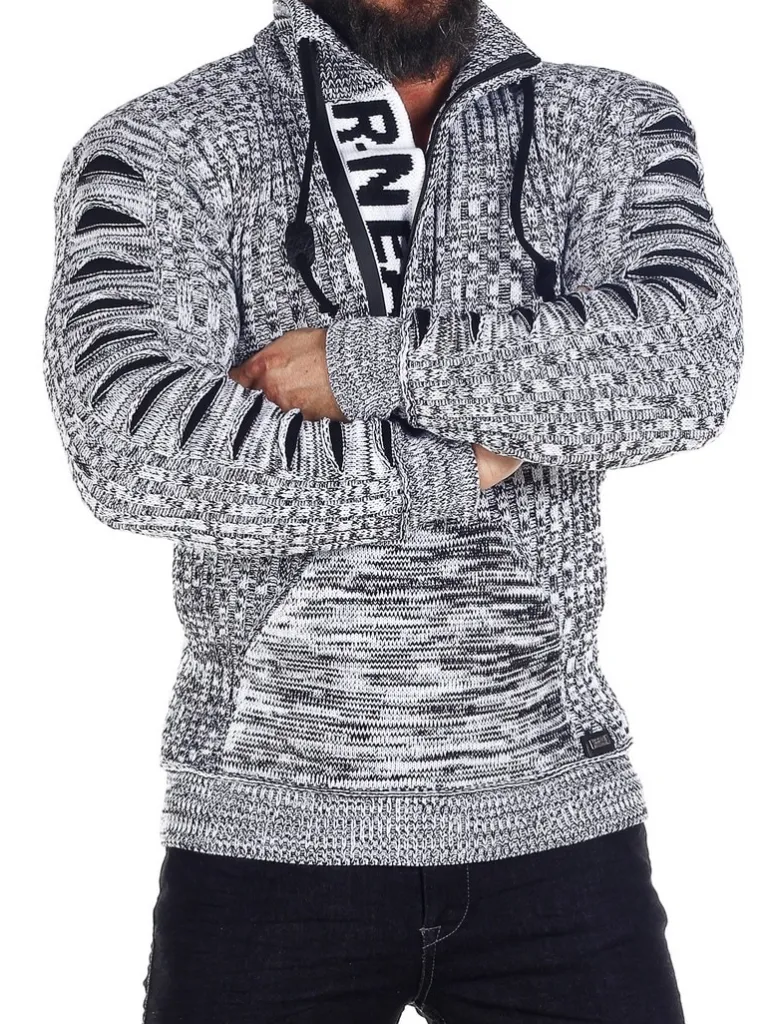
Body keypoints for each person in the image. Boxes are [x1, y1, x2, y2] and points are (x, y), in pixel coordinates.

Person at [43, 0, 743, 1020]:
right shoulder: (165, 143)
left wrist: (359, 363)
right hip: (263, 838)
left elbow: (684, 368)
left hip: (559, 824)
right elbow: (128, 446)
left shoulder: (608, 122)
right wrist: (450, 460)